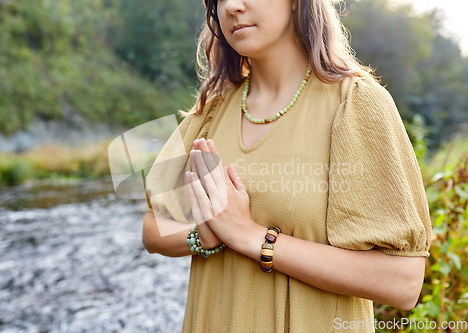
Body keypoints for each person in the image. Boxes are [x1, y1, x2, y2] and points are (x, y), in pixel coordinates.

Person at [142, 0, 432, 332]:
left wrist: (248, 236)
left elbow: (403, 283)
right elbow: (153, 228)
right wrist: (202, 235)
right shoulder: (212, 109)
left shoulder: (357, 104)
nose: (233, 6)